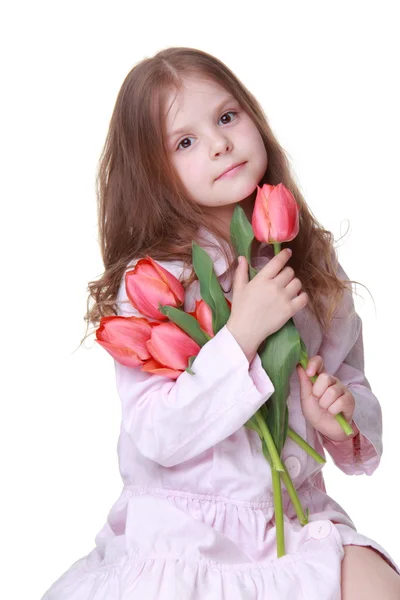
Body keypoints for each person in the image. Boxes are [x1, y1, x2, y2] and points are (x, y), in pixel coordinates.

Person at [41, 47, 400, 599]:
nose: (219, 143)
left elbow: (349, 379)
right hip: (185, 533)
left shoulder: (309, 261)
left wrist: (340, 416)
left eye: (227, 117)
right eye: (184, 142)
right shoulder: (156, 282)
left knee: (376, 580)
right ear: (153, 172)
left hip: (294, 517)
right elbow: (158, 432)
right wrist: (242, 333)